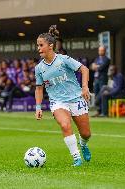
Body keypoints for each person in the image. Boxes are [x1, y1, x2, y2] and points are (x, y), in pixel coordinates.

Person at [34, 25, 91, 167]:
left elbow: (84, 69)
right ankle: (76, 157)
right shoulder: (39, 68)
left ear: (50, 46)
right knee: (65, 125)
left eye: (41, 45)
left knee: (86, 134)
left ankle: (83, 144)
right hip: (58, 102)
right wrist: (38, 107)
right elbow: (39, 88)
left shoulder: (64, 60)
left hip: (76, 99)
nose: (38, 48)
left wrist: (84, 87)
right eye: (37, 45)